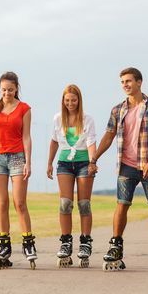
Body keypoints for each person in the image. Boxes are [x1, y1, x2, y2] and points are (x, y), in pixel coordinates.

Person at [89, 67, 148, 271]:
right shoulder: (118, 109)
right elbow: (109, 136)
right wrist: (94, 157)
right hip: (126, 165)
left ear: (139, 82)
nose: (125, 85)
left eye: (128, 81)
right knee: (121, 205)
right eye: (122, 82)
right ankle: (116, 246)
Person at [0, 71, 37, 269]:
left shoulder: (25, 109)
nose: (7, 93)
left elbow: (27, 137)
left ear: (16, 89)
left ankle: (28, 243)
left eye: (10, 90)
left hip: (18, 157)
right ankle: (3, 244)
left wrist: (28, 161)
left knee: (19, 202)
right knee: (1, 203)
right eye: (3, 90)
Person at [47, 84, 96, 268]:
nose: (70, 103)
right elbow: (53, 141)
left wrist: (92, 162)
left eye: (73, 100)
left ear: (79, 100)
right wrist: (49, 163)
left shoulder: (87, 119)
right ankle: (66, 242)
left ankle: (85, 242)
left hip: (84, 163)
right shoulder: (58, 119)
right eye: (67, 100)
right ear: (63, 101)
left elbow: (91, 142)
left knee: (84, 204)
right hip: (64, 163)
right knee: (65, 203)